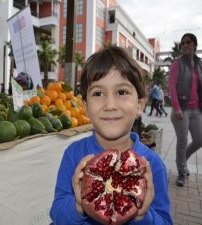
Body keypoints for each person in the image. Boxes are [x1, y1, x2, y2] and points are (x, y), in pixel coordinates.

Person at [50, 47, 172, 225]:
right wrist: (77, 205)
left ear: (140, 105)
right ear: (85, 107)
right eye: (98, 93)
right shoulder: (74, 154)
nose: (109, 104)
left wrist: (142, 216)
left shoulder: (153, 165)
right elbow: (57, 214)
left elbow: (165, 221)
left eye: (122, 92)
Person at [168, 33, 202, 187]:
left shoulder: (200, 64)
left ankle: (182, 160)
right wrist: (176, 108)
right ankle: (181, 172)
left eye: (188, 42)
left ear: (194, 44)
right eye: (183, 43)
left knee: (200, 139)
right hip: (181, 109)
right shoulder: (177, 63)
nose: (185, 45)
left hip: (196, 109)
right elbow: (171, 87)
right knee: (182, 141)